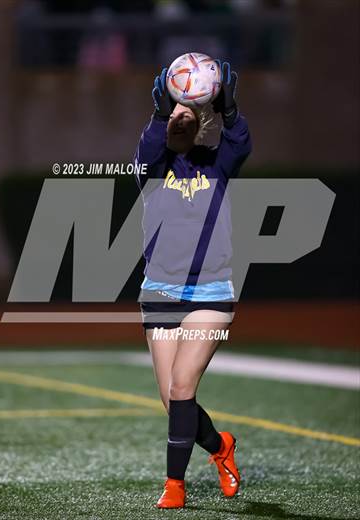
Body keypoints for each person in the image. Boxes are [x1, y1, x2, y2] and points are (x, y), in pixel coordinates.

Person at [134, 61, 252, 509]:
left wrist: (233, 111)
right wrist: (161, 115)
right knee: (171, 400)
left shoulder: (219, 162)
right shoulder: (153, 165)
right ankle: (221, 446)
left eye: (188, 110)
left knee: (183, 387)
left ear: (203, 117)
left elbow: (240, 144)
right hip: (160, 290)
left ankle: (175, 486)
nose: (181, 115)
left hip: (210, 292)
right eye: (173, 110)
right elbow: (146, 152)